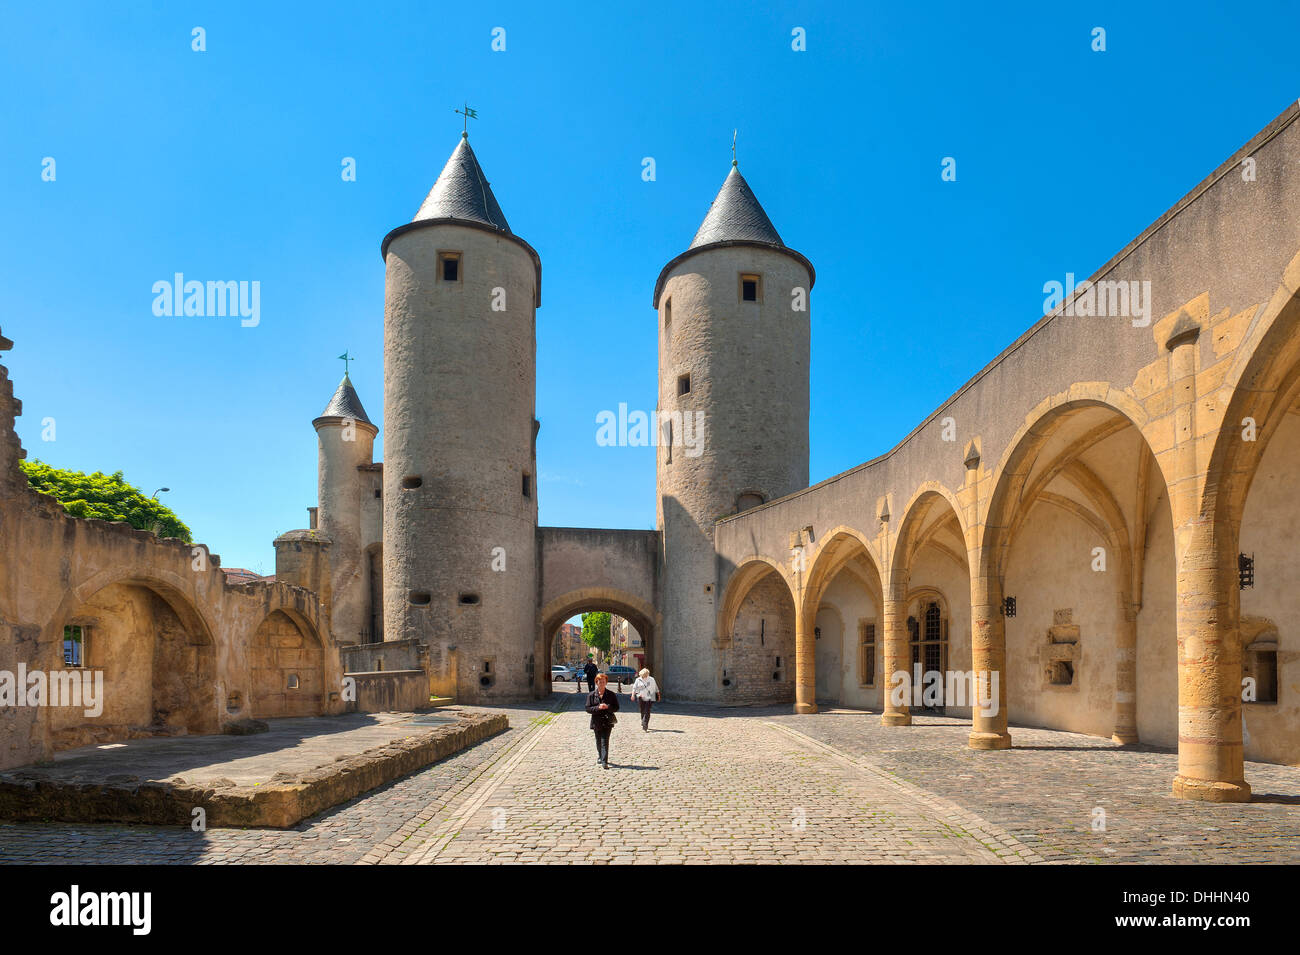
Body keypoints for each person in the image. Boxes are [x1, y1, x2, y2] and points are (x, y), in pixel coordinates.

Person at [586, 672, 619, 768]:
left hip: (607, 721)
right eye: (600, 682)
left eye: (603, 682)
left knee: (605, 741)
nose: (602, 684)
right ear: (596, 682)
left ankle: (605, 761)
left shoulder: (611, 694)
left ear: (606, 683)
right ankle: (600, 756)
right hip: (596, 722)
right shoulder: (591, 695)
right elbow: (588, 708)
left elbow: (616, 707)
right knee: (598, 741)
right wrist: (598, 708)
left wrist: (607, 707)